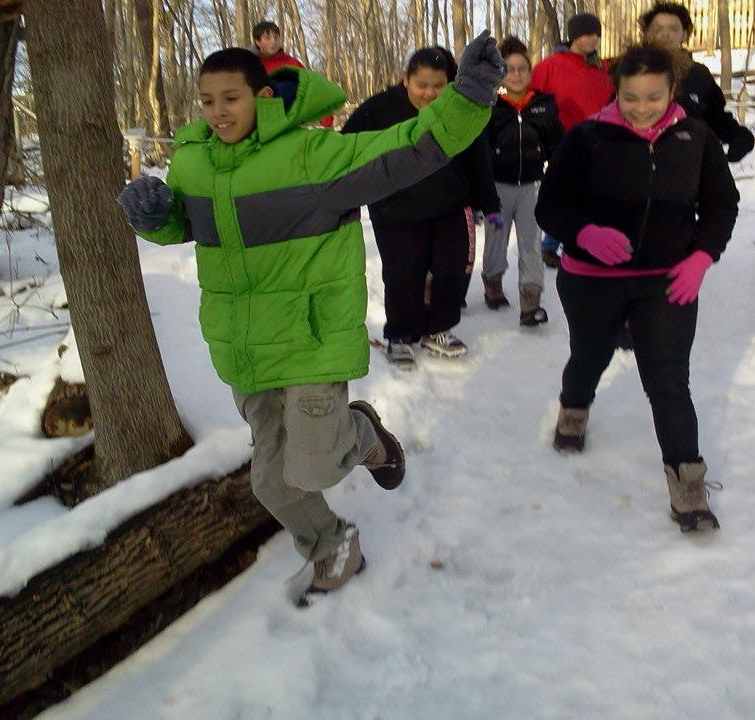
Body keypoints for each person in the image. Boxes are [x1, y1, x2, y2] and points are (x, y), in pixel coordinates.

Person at [117, 36, 505, 602]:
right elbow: (185, 223)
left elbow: (411, 145)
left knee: (318, 465)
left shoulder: (312, 156)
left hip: (310, 339)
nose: (218, 111)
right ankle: (332, 545)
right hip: (244, 346)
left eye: (231, 98)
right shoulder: (191, 161)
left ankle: (364, 433)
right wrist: (154, 217)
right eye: (207, 101)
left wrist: (468, 95)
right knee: (273, 482)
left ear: (264, 96)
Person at [535, 45, 740, 532]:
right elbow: (551, 205)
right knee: (589, 357)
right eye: (631, 97)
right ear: (617, 91)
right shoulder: (587, 137)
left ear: (672, 90)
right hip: (591, 282)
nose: (642, 107)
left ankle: (687, 487)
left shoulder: (696, 137)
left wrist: (701, 256)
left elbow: (721, 204)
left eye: (653, 96)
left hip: (667, 283)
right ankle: (574, 410)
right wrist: (582, 233)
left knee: (669, 383)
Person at [342, 46, 501, 369]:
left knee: (451, 270)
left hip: (449, 207)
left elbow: (478, 159)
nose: (429, 93)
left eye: (438, 85)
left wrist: (490, 204)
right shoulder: (379, 110)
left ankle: (439, 329)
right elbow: (345, 151)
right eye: (421, 85)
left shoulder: (459, 112)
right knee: (403, 274)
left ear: (450, 84)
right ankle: (401, 335)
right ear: (406, 81)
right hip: (395, 210)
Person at [482, 35, 563, 326]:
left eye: (522, 68)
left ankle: (531, 301)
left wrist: (558, 176)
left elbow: (557, 145)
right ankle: (492, 282)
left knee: (531, 242)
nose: (516, 74)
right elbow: (480, 150)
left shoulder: (543, 105)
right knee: (496, 240)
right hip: (499, 187)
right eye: (509, 68)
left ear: (530, 72)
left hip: (531, 186)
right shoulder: (490, 107)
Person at [530, 12, 614, 269]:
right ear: (575, 36)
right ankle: (551, 244)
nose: (594, 39)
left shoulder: (604, 67)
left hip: (601, 141)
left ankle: (572, 244)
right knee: (566, 194)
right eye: (588, 33)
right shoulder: (550, 66)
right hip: (564, 141)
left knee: (591, 195)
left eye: (596, 34)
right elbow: (534, 100)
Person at [639, 2, 755, 162]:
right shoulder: (630, 71)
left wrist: (738, 135)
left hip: (691, 166)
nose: (666, 34)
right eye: (658, 29)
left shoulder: (698, 74)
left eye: (673, 29)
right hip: (643, 167)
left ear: (685, 34)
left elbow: (715, 118)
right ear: (647, 33)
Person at [250, 20, 334, 128]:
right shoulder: (251, 65)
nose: (273, 42)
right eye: (267, 38)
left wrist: (327, 121)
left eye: (276, 37)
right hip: (260, 124)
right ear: (257, 41)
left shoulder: (292, 63)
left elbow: (311, 91)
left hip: (291, 123)